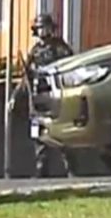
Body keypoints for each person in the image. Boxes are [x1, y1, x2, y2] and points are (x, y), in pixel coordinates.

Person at [24, 13, 76, 178]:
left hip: (57, 93)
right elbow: (27, 75)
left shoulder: (60, 47)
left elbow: (70, 64)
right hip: (38, 95)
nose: (43, 31)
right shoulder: (34, 51)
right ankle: (41, 167)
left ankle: (71, 168)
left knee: (61, 130)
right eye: (40, 28)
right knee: (37, 131)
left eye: (45, 28)